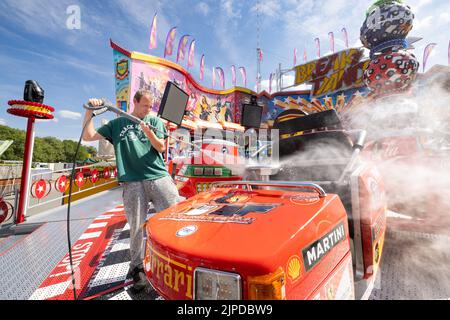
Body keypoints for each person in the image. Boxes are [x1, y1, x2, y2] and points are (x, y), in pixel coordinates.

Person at [82, 90, 181, 292]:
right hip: (132, 181)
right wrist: (90, 112)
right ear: (134, 102)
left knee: (175, 217)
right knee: (136, 226)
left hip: (158, 177)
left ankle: (177, 261)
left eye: (151, 106)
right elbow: (88, 135)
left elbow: (160, 147)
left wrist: (149, 131)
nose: (148, 109)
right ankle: (137, 268)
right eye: (145, 105)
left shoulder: (154, 121)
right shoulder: (117, 123)